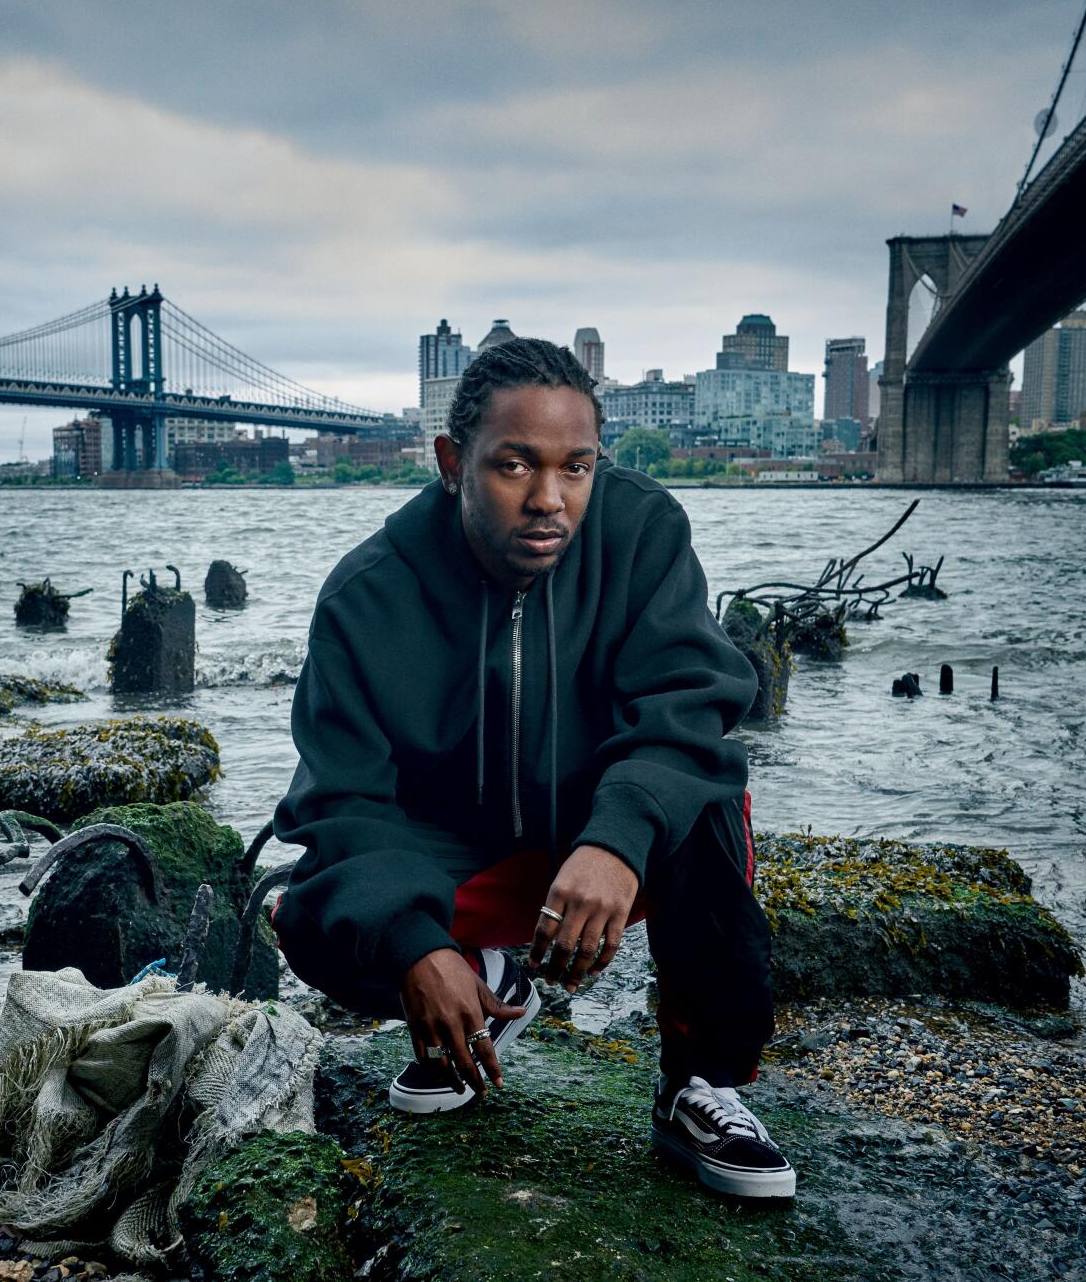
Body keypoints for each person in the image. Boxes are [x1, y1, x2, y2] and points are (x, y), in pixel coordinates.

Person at [271, 336, 792, 1199]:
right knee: (312, 917)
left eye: (576, 468)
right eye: (514, 466)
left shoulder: (641, 531)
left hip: (602, 843)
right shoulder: (366, 595)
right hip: (464, 857)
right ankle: (482, 978)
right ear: (453, 462)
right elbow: (342, 802)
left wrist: (617, 840)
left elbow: (688, 703)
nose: (550, 499)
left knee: (702, 792)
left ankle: (700, 1085)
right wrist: (416, 948)